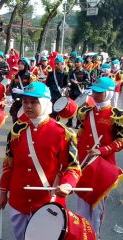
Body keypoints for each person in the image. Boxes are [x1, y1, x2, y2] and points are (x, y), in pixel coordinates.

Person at [0, 81, 82, 240]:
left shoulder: (63, 134)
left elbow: (73, 168)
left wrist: (68, 184)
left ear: (45, 103)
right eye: (25, 102)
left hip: (47, 203)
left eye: (34, 102)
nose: (28, 106)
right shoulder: (16, 131)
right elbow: (8, 166)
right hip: (18, 200)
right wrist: (3, 192)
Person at [76, 77, 123, 239]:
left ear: (109, 94)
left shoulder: (116, 115)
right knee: (81, 208)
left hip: (102, 168)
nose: (95, 95)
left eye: (99, 92)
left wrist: (102, 150)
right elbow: (80, 136)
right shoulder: (86, 112)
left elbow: (121, 140)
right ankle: (82, 235)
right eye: (94, 91)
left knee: (97, 210)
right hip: (83, 165)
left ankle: (94, 236)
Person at [8, 57, 35, 123]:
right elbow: (11, 87)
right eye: (19, 63)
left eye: (22, 64)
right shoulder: (15, 76)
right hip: (16, 102)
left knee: (26, 121)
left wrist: (23, 91)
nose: (19, 65)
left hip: (26, 102)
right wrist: (10, 96)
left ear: (26, 65)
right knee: (15, 120)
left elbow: (34, 89)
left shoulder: (31, 76)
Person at [67, 56, 90, 128]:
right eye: (76, 62)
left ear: (81, 63)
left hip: (80, 92)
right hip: (72, 92)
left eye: (78, 62)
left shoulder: (85, 72)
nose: (76, 63)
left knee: (79, 108)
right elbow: (68, 79)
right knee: (70, 107)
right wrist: (69, 83)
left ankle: (78, 123)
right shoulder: (72, 72)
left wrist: (78, 83)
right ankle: (70, 121)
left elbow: (88, 81)